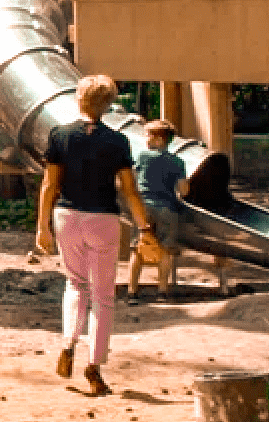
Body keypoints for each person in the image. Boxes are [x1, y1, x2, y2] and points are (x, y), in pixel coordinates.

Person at [34, 74, 151, 397]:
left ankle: (68, 343)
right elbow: (129, 190)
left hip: (66, 216)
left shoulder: (60, 135)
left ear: (79, 99)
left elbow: (49, 185)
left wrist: (41, 226)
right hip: (103, 219)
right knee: (103, 296)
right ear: (109, 104)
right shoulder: (117, 142)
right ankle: (94, 364)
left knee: (75, 283)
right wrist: (144, 228)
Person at [133, 121, 187, 295]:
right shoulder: (178, 162)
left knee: (138, 249)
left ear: (159, 139)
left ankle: (132, 290)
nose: (145, 139)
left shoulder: (142, 156)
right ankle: (162, 291)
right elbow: (184, 190)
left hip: (144, 208)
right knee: (165, 250)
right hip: (167, 209)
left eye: (148, 135)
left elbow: (133, 179)